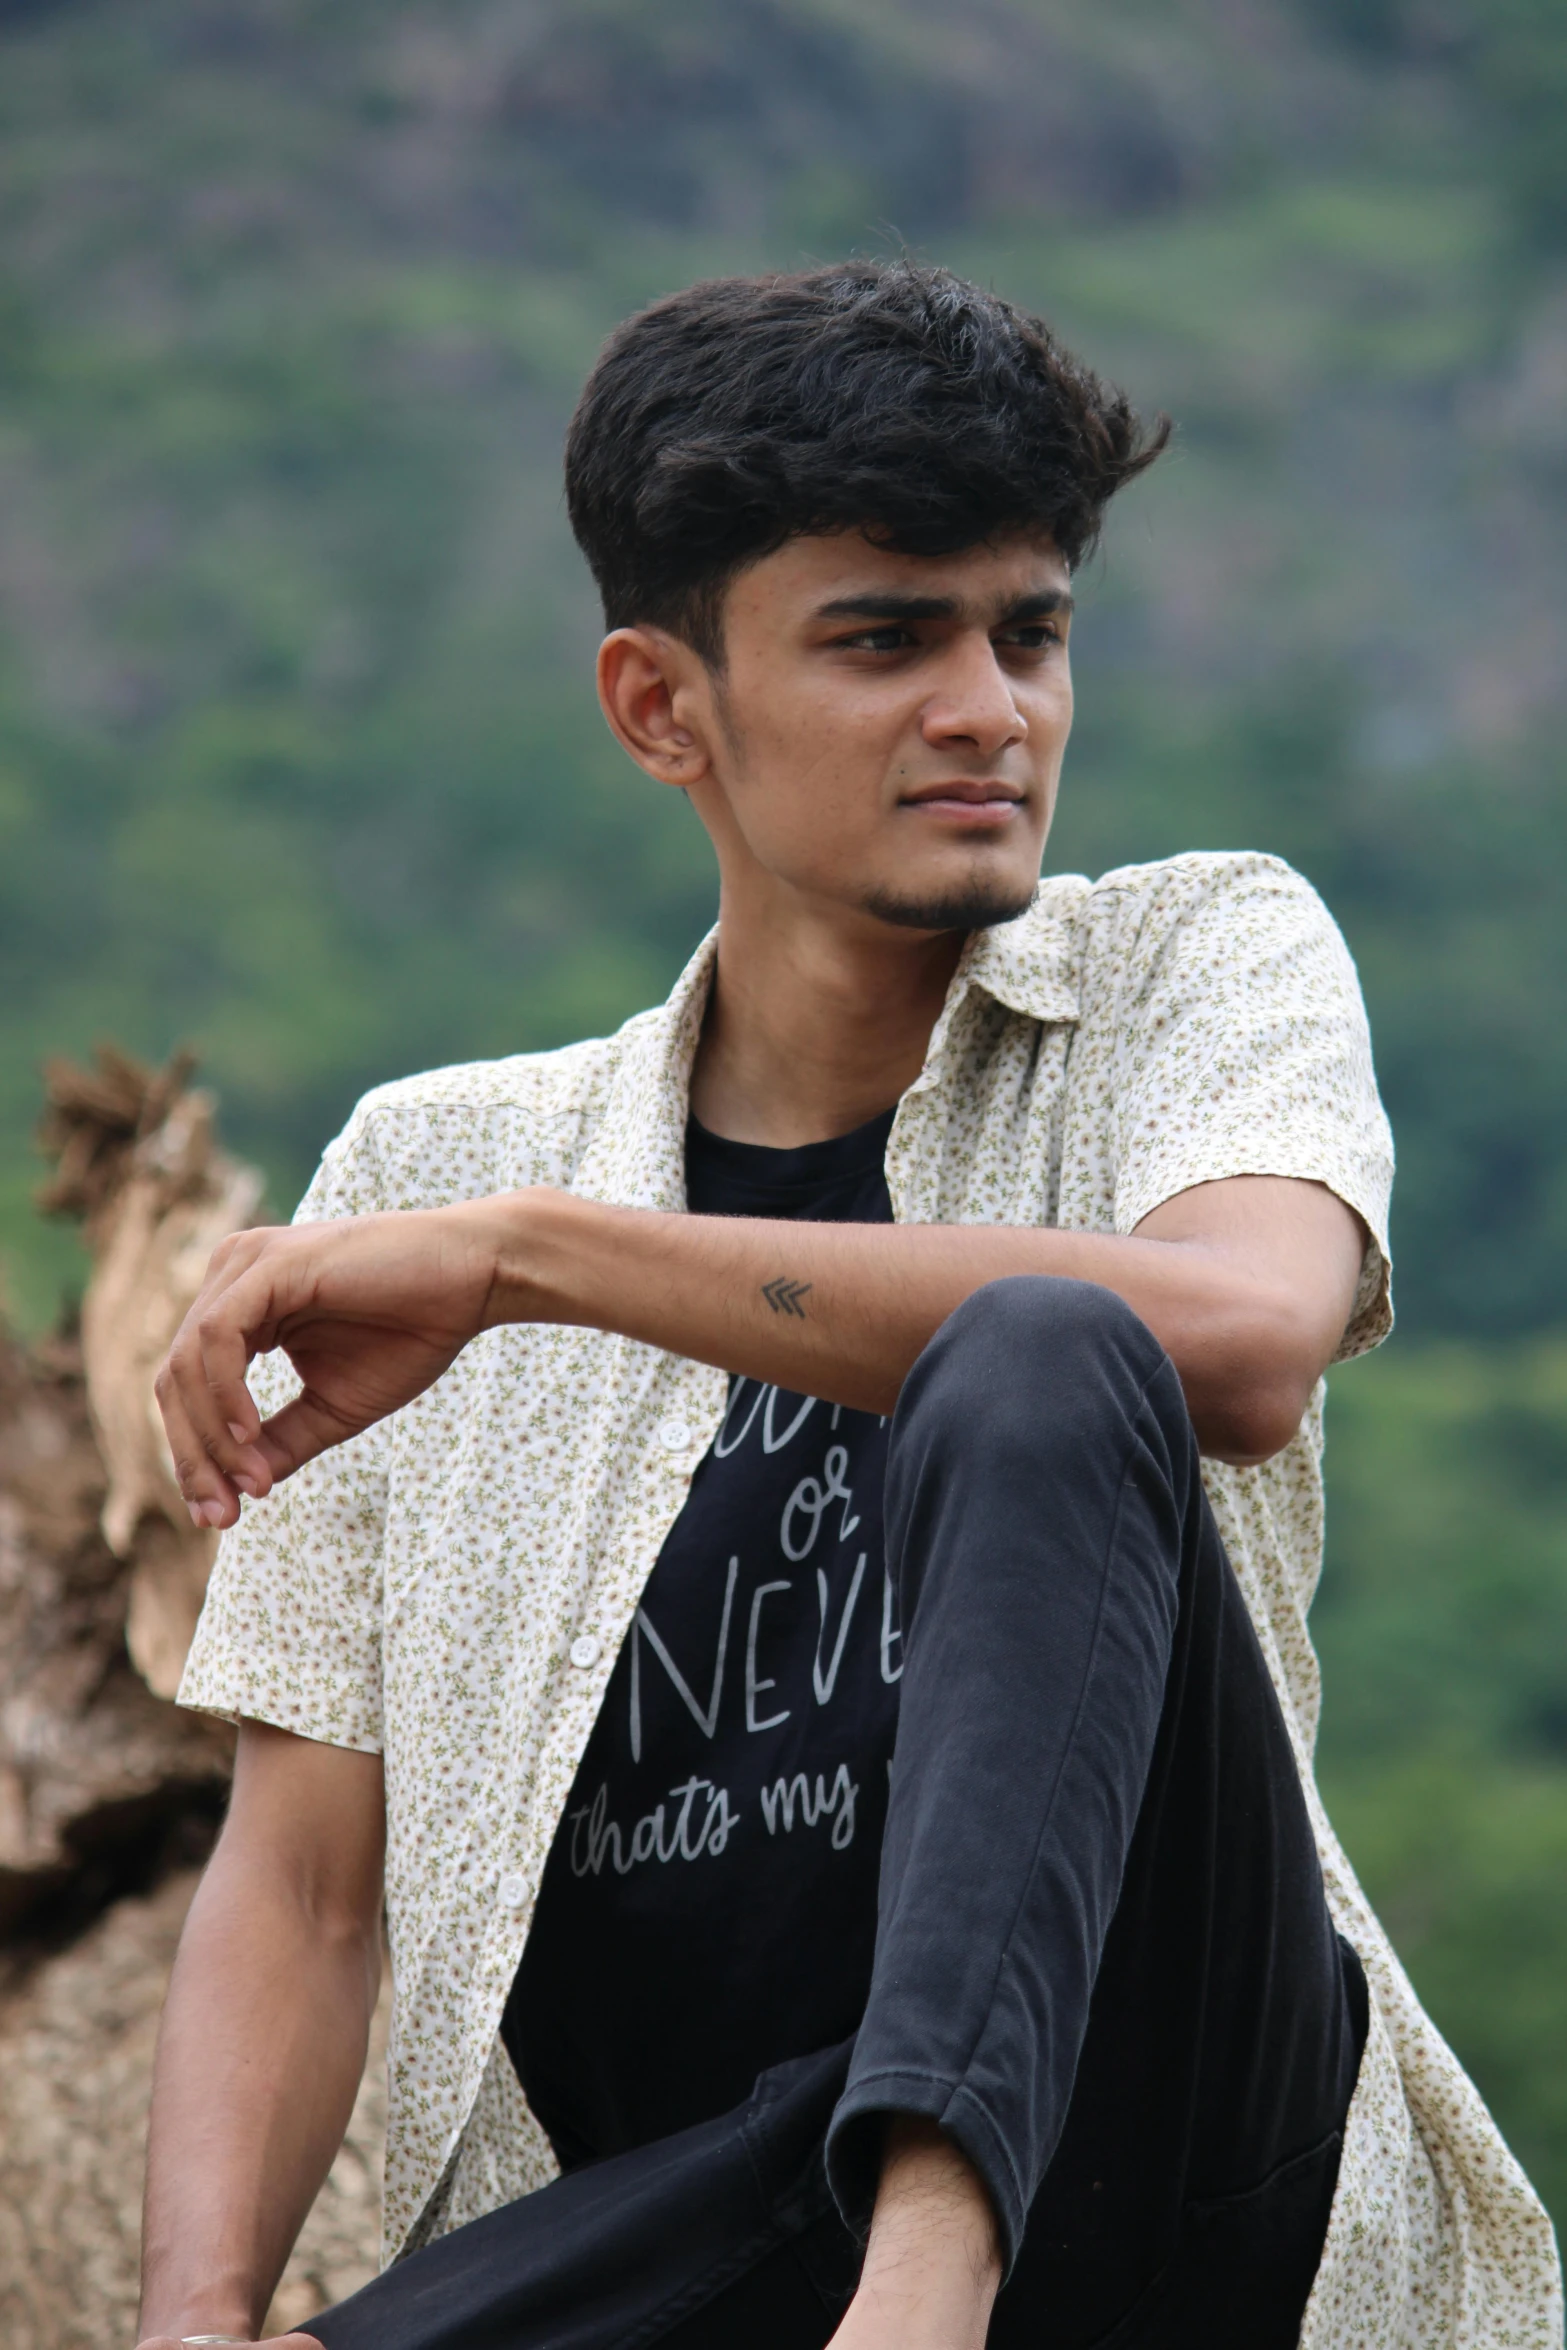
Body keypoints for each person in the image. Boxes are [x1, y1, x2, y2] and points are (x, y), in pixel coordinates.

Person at [140, 263, 1560, 2350]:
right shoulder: (425, 1169)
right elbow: (303, 1878)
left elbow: (1244, 1342)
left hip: (1164, 2165)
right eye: (888, 639)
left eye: (1033, 631)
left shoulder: (1198, 961)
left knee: (1058, 1347)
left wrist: (540, 1265)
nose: (989, 705)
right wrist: (190, 2314)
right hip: (687, 2226)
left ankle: (927, 2264)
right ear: (661, 705)